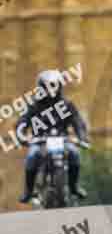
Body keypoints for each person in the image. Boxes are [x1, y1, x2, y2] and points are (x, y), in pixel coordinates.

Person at [16, 70, 89, 203]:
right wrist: (21, 136)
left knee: (74, 153)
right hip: (40, 141)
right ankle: (28, 191)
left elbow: (78, 122)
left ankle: (74, 187)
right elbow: (22, 122)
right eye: (48, 86)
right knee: (32, 156)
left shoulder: (67, 104)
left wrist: (82, 138)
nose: (51, 90)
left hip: (63, 139)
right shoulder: (34, 105)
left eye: (54, 85)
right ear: (41, 87)